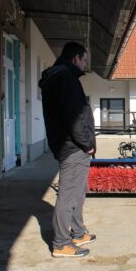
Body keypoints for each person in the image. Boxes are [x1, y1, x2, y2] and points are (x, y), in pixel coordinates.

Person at [39, 42, 96, 258]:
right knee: (68, 193)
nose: (84, 65)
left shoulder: (61, 77)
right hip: (73, 147)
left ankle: (78, 232)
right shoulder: (65, 79)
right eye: (84, 61)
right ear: (75, 59)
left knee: (77, 191)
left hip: (72, 145)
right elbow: (74, 117)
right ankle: (62, 243)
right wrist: (87, 144)